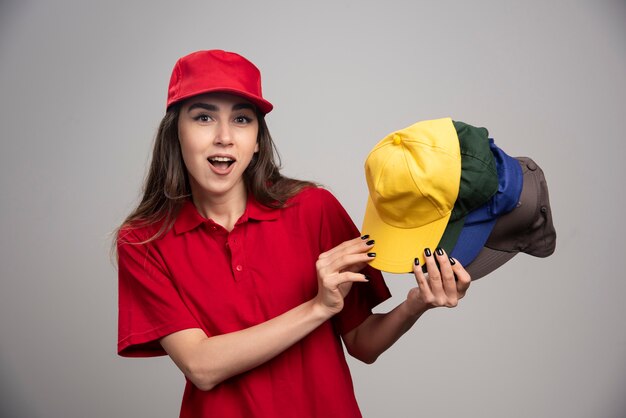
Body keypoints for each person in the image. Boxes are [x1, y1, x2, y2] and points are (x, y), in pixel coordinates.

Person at [115, 49, 472, 418]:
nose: (224, 136)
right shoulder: (143, 242)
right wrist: (318, 307)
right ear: (175, 133)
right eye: (203, 117)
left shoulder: (314, 209)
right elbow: (201, 366)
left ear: (257, 140)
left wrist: (416, 303)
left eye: (241, 119)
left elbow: (362, 343)